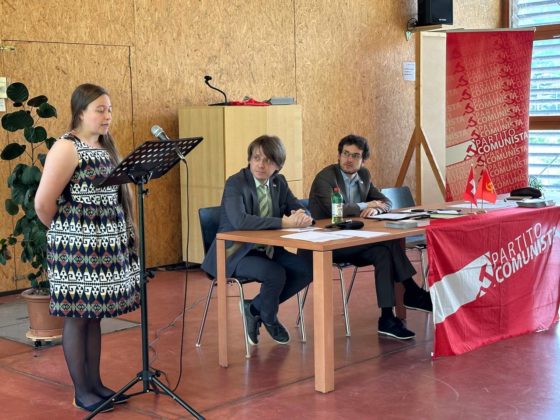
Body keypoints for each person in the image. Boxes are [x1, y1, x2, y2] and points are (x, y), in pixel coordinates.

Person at [35, 84, 140, 413]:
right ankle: (82, 391)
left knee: (94, 317)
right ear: (80, 112)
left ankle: (95, 385)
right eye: (100, 110)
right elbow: (43, 204)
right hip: (75, 249)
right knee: (78, 317)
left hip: (102, 248)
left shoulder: (105, 147)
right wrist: (69, 232)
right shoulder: (67, 148)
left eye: (110, 110)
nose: (107, 116)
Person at [308, 134, 432, 340]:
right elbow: (335, 209)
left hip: (356, 240)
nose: (349, 159)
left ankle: (387, 318)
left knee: (383, 252)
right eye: (345, 154)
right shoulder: (326, 178)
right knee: (388, 242)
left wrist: (377, 209)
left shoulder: (364, 175)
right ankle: (411, 291)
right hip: (329, 243)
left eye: (355, 156)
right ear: (339, 156)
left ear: (363, 160)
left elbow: (385, 201)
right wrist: (366, 205)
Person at [201, 135, 313, 346]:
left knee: (307, 269)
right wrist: (283, 223)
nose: (261, 164)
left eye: (268, 160)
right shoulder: (236, 183)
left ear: (278, 165)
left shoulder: (279, 182)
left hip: (268, 249)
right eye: (256, 158)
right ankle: (269, 317)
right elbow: (240, 220)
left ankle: (255, 308)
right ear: (250, 159)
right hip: (235, 252)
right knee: (275, 273)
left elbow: (299, 207)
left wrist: (302, 216)